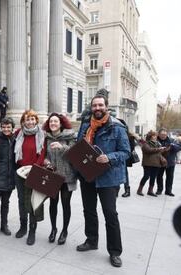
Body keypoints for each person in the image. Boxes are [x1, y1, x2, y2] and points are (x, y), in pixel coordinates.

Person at [76, 94, 130, 268]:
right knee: (89, 211)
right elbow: (79, 147)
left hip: (108, 178)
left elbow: (126, 152)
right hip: (87, 175)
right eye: (94, 106)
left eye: (100, 105)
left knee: (110, 214)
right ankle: (91, 240)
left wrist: (109, 157)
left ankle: (115, 251)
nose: (97, 108)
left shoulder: (117, 127)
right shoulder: (85, 126)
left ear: (106, 106)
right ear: (91, 108)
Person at [42, 113, 76, 245]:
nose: (53, 124)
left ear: (61, 123)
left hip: (68, 176)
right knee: (53, 204)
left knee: (65, 204)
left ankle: (64, 231)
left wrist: (62, 147)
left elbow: (74, 154)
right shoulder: (46, 137)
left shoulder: (70, 136)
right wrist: (46, 162)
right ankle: (53, 229)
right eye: (51, 122)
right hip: (53, 176)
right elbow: (44, 155)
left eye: (55, 121)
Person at [14, 109, 45, 245]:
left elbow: (42, 154)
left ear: (36, 121)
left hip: (35, 172)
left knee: (33, 202)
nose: (30, 122)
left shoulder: (42, 135)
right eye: (27, 119)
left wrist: (34, 169)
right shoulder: (18, 134)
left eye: (33, 119)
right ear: (23, 121)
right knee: (21, 200)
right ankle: (23, 226)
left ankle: (32, 230)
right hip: (20, 172)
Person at [137, 130, 168, 197]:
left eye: (156, 135)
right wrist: (159, 149)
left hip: (156, 163)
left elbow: (159, 152)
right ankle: (139, 190)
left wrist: (165, 150)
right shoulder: (146, 144)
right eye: (154, 135)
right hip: (147, 163)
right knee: (146, 176)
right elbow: (149, 150)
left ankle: (150, 191)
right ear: (150, 136)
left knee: (153, 177)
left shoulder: (158, 143)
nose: (155, 137)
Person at [156, 128, 181, 196]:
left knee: (170, 177)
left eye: (165, 134)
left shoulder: (172, 140)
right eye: (162, 134)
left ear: (167, 134)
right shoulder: (155, 140)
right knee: (159, 176)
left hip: (170, 162)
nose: (163, 136)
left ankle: (168, 191)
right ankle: (159, 189)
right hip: (159, 162)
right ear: (159, 134)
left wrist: (172, 146)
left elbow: (179, 148)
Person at [121, 131, 138, 198]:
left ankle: (127, 190)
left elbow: (131, 148)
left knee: (125, 174)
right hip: (117, 157)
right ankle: (116, 189)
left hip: (124, 158)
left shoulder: (130, 137)